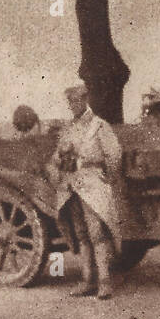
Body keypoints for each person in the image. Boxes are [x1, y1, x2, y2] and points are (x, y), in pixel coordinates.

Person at [52, 84, 122, 301]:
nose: (73, 106)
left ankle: (104, 282)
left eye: (76, 102)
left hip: (92, 184)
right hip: (72, 186)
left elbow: (114, 155)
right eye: (70, 102)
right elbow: (56, 156)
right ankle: (87, 280)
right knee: (81, 234)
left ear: (85, 100)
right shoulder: (68, 128)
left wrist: (107, 178)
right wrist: (59, 160)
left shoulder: (99, 126)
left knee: (97, 234)